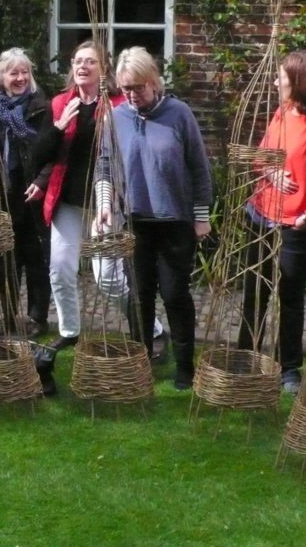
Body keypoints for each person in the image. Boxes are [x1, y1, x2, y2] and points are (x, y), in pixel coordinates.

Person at [35, 40, 167, 353]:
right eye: (77, 61)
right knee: (60, 268)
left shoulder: (121, 105)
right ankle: (69, 331)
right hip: (68, 201)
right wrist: (58, 127)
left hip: (105, 203)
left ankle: (152, 329)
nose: (82, 66)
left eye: (90, 61)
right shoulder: (61, 103)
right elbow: (40, 154)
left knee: (108, 277)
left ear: (103, 68)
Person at [236, 49, 306, 395]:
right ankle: (245, 359)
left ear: (299, 81)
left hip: (297, 227)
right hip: (260, 216)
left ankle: (289, 370)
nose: (275, 83)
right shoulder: (282, 112)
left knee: (290, 297)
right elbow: (260, 158)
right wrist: (271, 172)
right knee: (255, 292)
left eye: (281, 77)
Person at [105, 46, 213, 390]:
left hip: (174, 221)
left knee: (174, 294)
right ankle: (140, 364)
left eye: (138, 87)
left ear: (153, 81)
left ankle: (185, 366)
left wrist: (201, 217)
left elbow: (199, 168)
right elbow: (105, 165)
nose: (132, 95)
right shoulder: (115, 118)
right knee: (139, 297)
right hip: (135, 222)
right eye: (125, 89)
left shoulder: (178, 114)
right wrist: (105, 205)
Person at [0, 48, 53, 337]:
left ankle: (36, 318)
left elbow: (53, 151)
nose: (20, 78)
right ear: (1, 77)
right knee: (5, 257)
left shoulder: (42, 106)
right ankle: (8, 316)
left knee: (36, 257)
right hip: (2, 192)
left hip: (32, 191)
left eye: (25, 72)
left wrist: (42, 181)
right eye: (13, 73)